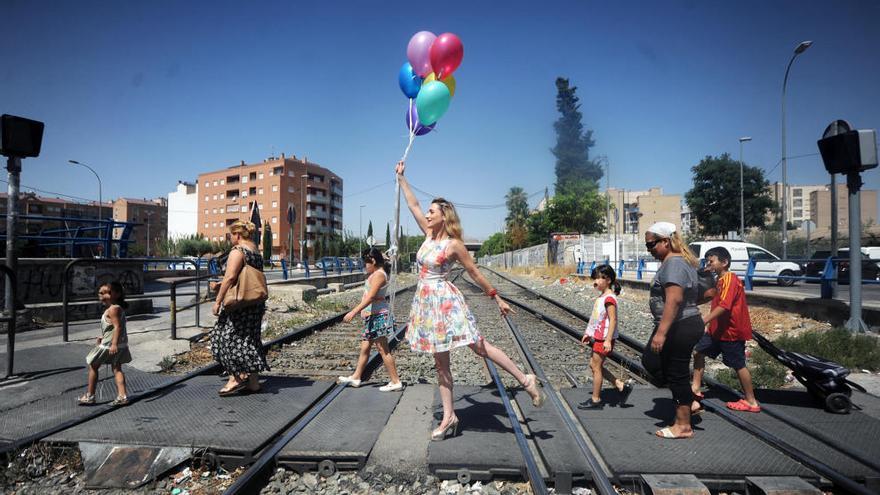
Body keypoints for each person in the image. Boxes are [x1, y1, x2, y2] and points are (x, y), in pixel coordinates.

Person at [396, 160, 545, 442]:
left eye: (432, 212)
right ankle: (449, 416)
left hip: (446, 302)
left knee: (479, 346)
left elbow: (475, 273)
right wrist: (403, 179)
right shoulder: (427, 235)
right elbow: (414, 205)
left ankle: (526, 380)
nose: (426, 215)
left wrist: (496, 297)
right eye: (428, 212)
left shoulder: (454, 245)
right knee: (440, 365)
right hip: (426, 304)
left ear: (444, 216)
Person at [644, 222, 704, 439]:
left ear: (665, 242)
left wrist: (661, 332)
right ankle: (690, 400)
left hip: (679, 326)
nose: (648, 249)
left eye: (651, 244)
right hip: (682, 323)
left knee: (676, 374)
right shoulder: (677, 262)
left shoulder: (674, 264)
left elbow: (675, 299)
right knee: (651, 361)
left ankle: (683, 426)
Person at [691, 247, 760, 414]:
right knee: (698, 351)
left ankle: (751, 401)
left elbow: (724, 306)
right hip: (717, 331)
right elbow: (710, 296)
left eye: (712, 261)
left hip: (731, 332)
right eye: (707, 261)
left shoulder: (730, 278)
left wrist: (703, 320)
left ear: (724, 262)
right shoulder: (719, 280)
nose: (709, 264)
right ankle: (695, 389)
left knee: (738, 365)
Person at [211, 220, 269, 396]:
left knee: (225, 337)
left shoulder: (238, 251)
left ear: (237, 235)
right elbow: (247, 277)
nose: (229, 239)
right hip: (254, 302)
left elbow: (230, 277)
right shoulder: (255, 251)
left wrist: (218, 301)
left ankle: (235, 378)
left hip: (240, 305)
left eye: (230, 236)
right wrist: (220, 284)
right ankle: (253, 382)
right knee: (249, 339)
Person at [337, 247, 403, 392]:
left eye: (365, 263)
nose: (364, 266)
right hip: (372, 317)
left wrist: (353, 312)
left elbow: (371, 297)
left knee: (383, 350)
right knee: (365, 348)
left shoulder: (379, 275)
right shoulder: (376, 273)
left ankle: (395, 381)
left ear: (372, 261)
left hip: (379, 316)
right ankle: (356, 377)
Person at [578, 264, 634, 409]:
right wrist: (588, 333)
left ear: (608, 280)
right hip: (598, 336)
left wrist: (608, 340)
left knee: (596, 367)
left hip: (604, 338)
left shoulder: (609, 298)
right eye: (595, 278)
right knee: (594, 365)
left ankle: (596, 400)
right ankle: (620, 385)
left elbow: (613, 319)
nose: (595, 281)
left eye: (599, 278)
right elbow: (596, 318)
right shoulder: (602, 297)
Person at [78, 281, 131, 407]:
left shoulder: (113, 309)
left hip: (111, 345)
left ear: (117, 294)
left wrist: (113, 344)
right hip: (118, 343)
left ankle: (90, 395)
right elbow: (113, 327)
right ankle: (122, 396)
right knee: (117, 368)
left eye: (107, 292)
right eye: (101, 293)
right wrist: (103, 336)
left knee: (93, 365)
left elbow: (117, 327)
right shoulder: (116, 308)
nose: (103, 295)